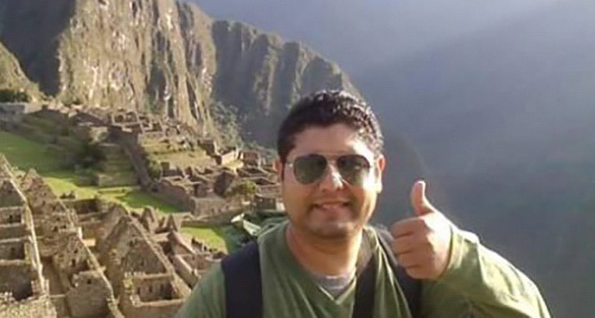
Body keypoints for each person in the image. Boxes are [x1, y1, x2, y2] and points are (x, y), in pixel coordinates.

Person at [176, 90, 550, 318]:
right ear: (281, 173)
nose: (332, 183)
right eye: (310, 166)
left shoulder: (415, 279)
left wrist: (460, 256)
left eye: (351, 164)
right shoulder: (233, 292)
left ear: (379, 173)